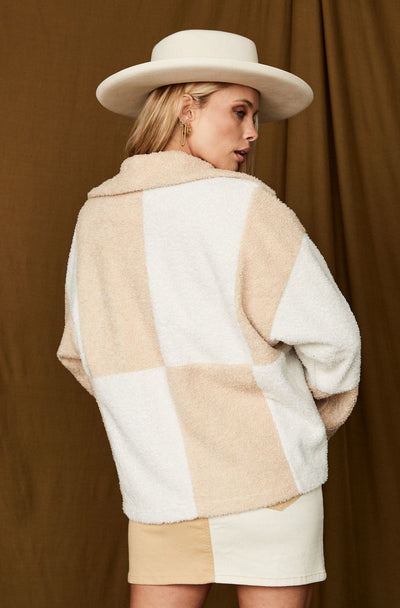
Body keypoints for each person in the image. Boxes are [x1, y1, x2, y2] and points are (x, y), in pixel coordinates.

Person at [56, 29, 361, 608]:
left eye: (255, 117)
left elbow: (81, 353)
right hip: (272, 486)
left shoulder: (96, 218)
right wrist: (294, 422)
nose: (253, 132)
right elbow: (336, 342)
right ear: (186, 109)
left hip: (162, 483)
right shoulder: (247, 205)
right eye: (240, 111)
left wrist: (153, 421)